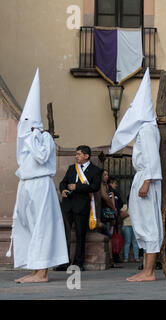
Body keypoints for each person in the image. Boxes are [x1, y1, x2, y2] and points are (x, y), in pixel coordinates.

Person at [9, 69, 68, 283]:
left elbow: (42, 157)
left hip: (41, 186)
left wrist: (34, 134)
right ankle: (34, 268)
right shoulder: (26, 139)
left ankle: (43, 272)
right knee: (28, 225)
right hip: (26, 185)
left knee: (42, 225)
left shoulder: (44, 139)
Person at [109, 68, 163, 282]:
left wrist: (147, 181)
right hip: (143, 177)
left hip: (146, 178)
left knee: (149, 223)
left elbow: (151, 157)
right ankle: (146, 269)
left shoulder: (148, 129)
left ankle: (149, 272)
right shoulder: (146, 129)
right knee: (142, 221)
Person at [58, 144, 101, 271]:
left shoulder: (95, 170)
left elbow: (95, 187)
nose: (76, 156)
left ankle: (78, 263)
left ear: (86, 156)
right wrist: (63, 190)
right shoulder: (72, 168)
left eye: (78, 154)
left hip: (82, 206)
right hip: (68, 205)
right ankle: (64, 262)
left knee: (80, 235)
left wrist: (78, 187)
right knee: (65, 234)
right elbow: (63, 182)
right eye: (76, 154)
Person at [120, 196, 140, 263]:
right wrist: (128, 212)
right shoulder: (125, 206)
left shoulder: (137, 206)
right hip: (126, 226)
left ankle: (136, 257)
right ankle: (126, 258)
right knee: (127, 242)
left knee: (135, 242)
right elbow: (121, 216)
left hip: (135, 226)